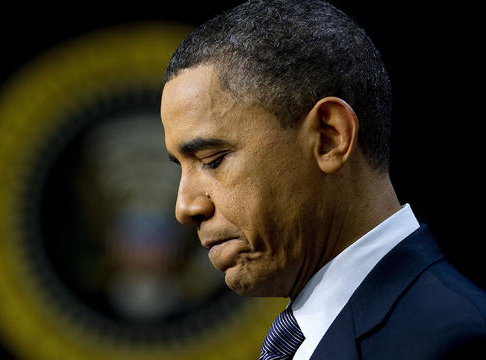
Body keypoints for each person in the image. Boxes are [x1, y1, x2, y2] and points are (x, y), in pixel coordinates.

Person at [159, 0, 486, 359]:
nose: (185, 207)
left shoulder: (452, 342)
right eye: (181, 167)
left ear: (330, 137)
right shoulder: (306, 337)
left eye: (212, 159)